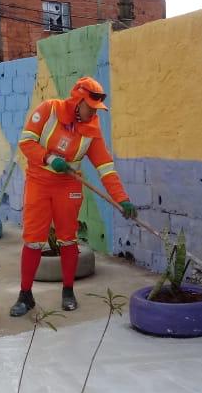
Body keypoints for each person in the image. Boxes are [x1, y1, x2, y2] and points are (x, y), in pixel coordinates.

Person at [10, 76, 137, 316]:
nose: (93, 113)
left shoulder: (92, 130)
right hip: (39, 182)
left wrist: (122, 199)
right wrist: (49, 158)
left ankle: (68, 291)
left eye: (96, 109)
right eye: (90, 107)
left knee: (68, 239)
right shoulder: (49, 110)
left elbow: (105, 168)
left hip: (68, 186)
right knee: (34, 240)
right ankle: (25, 296)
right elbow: (26, 142)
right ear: (78, 100)